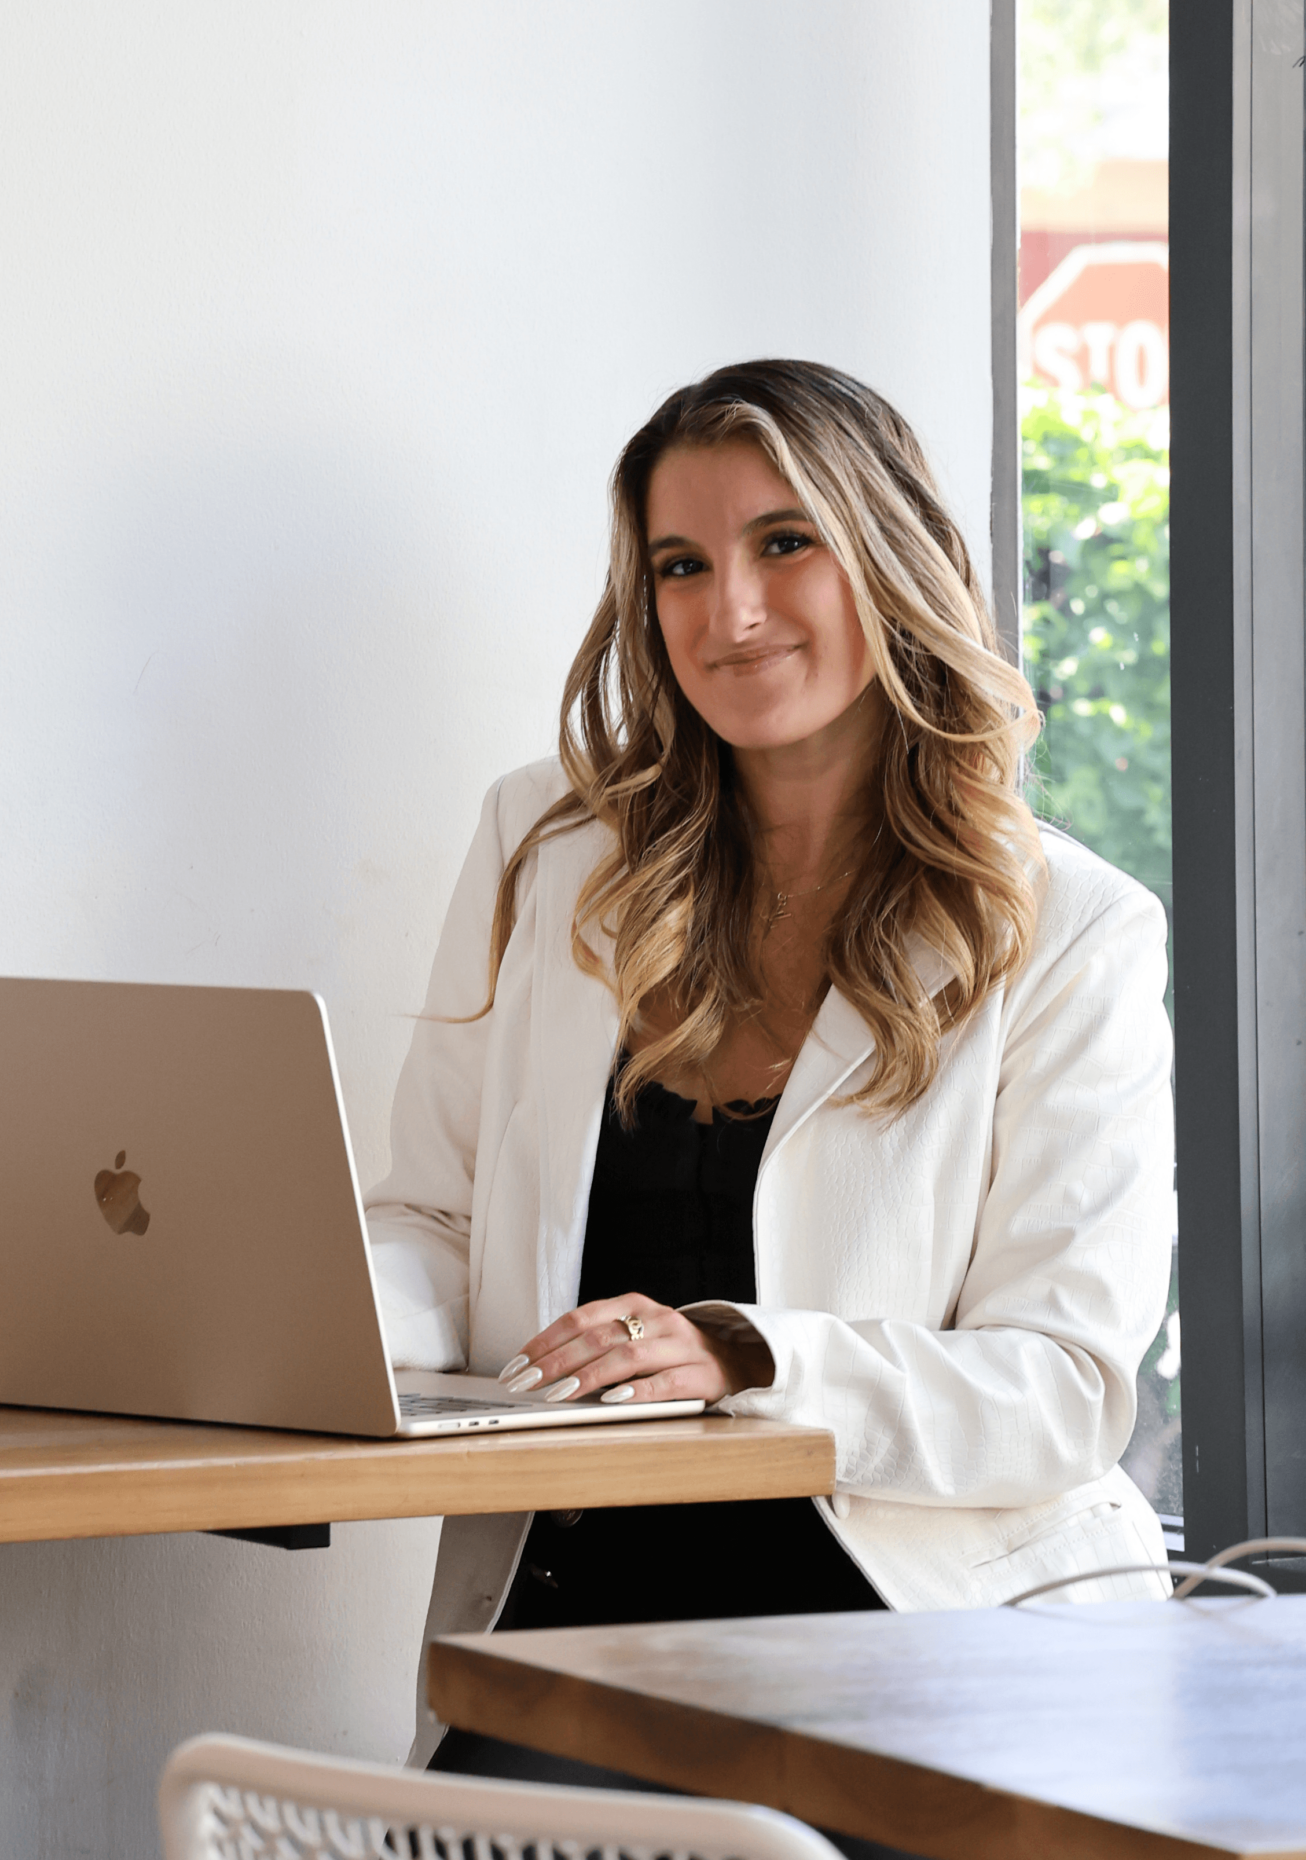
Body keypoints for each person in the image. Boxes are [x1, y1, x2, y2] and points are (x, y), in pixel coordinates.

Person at [364, 359, 1173, 1775]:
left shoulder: (1071, 928)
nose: (728, 612)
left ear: (891, 556)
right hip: (575, 1623)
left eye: (784, 543)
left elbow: (1062, 1386)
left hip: (917, 1639)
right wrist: (307, 1327)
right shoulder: (548, 849)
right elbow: (435, 1220)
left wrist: (751, 1350)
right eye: (681, 565)